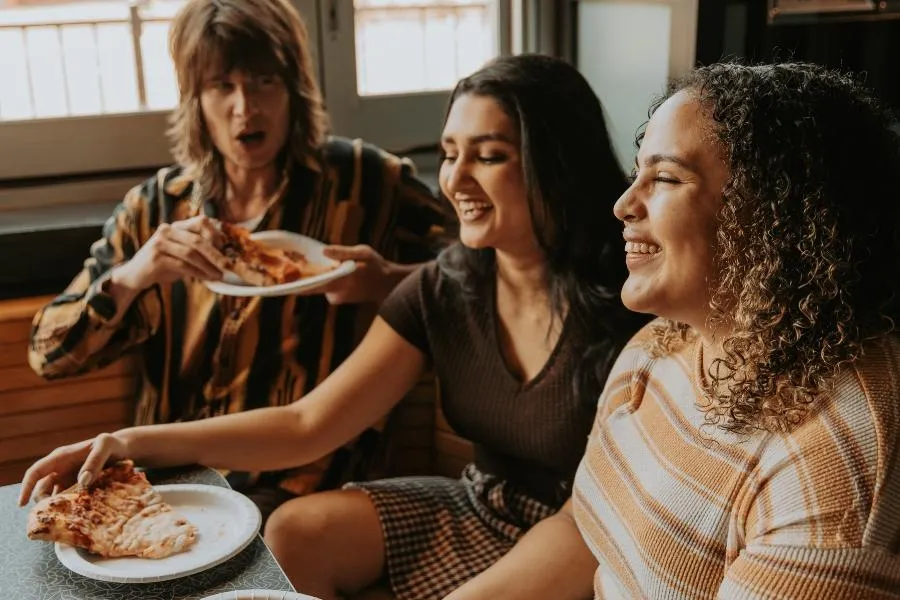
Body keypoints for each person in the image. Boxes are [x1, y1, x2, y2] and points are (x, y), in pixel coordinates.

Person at [18, 54, 649, 599]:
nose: (455, 179)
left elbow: (585, 522)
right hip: (481, 504)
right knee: (293, 531)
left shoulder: (633, 302)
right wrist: (132, 441)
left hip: (594, 530)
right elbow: (306, 424)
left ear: (557, 164)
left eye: (489, 156)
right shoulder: (446, 287)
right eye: (450, 153)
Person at [25, 0, 448, 519]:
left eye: (264, 81)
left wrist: (388, 282)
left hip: (304, 479)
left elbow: (479, 275)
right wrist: (134, 275)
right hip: (164, 473)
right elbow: (48, 354)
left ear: (294, 89)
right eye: (221, 86)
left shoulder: (367, 182)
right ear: (194, 100)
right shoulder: (155, 209)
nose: (245, 106)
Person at [571, 61, 900, 598]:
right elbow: (581, 537)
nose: (624, 204)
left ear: (780, 212)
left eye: (667, 179)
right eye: (637, 174)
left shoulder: (838, 453)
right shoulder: (664, 343)